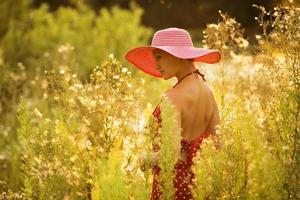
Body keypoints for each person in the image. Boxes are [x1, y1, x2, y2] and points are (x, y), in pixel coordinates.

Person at [125, 27, 221, 200]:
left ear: (177, 54)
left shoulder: (173, 97)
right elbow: (219, 145)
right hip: (201, 186)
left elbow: (171, 154)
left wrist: (144, 157)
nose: (155, 64)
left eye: (159, 57)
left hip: (172, 186)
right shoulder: (208, 92)